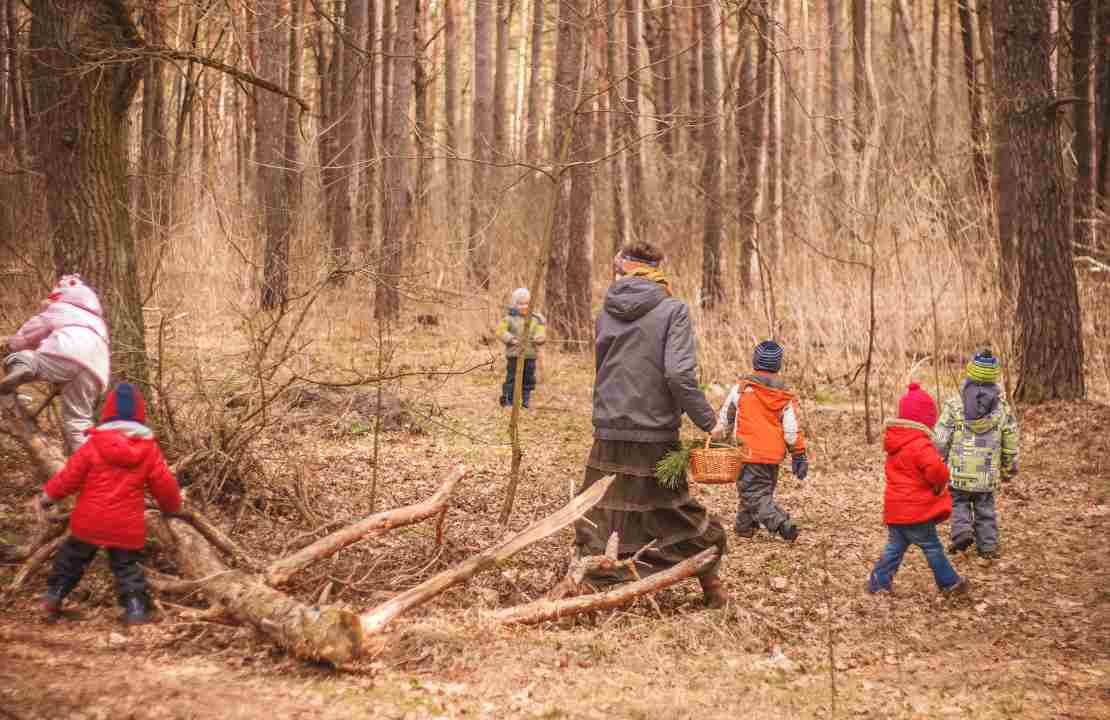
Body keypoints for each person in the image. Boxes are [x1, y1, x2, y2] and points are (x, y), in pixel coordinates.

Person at [573, 241, 729, 608]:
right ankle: (712, 588)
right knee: (677, 513)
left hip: (608, 428)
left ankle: (595, 590)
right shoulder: (672, 309)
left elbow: (602, 368)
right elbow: (678, 374)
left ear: (623, 268)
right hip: (655, 432)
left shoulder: (606, 309)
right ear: (657, 269)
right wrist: (709, 422)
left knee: (605, 517)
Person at [35, 383, 182, 625]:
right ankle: (135, 609)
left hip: (89, 520)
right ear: (140, 415)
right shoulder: (149, 448)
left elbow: (69, 477)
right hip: (126, 524)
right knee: (127, 567)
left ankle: (53, 597)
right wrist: (172, 507)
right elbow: (164, 484)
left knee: (71, 559)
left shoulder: (93, 444)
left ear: (107, 412)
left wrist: (48, 496)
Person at [867, 383, 969, 597]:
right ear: (925, 420)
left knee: (895, 548)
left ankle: (878, 583)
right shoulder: (920, 445)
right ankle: (949, 583)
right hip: (916, 513)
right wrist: (942, 478)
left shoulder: (896, 443)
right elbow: (936, 471)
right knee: (932, 547)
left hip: (896, 511)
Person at [0, 275, 110, 455]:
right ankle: (91, 468)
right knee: (79, 421)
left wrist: (11, 346)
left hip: (65, 353)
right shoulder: (98, 322)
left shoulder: (59, 309)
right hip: (96, 369)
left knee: (25, 357)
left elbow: (29, 334)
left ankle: (23, 367)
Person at [713, 341, 809, 542]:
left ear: (754, 361)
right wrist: (798, 453)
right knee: (757, 492)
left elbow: (726, 416)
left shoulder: (741, 389)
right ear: (778, 365)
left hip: (748, 454)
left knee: (754, 495)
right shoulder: (784, 396)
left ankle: (783, 524)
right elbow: (791, 431)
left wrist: (718, 435)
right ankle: (744, 527)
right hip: (772, 458)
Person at [934, 349, 1019, 560]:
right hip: (986, 475)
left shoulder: (955, 405)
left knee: (958, 502)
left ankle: (962, 532)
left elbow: (940, 438)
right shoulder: (1002, 410)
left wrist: (938, 462)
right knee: (985, 509)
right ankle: (988, 547)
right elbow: (1010, 443)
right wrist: (1009, 469)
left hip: (958, 472)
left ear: (970, 373)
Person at [496, 287, 546, 409]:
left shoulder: (536, 319)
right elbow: (500, 331)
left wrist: (540, 338)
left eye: (526, 303)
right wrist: (511, 339)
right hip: (514, 354)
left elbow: (541, 332)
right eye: (520, 304)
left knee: (528, 379)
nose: (524, 306)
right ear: (514, 304)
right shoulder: (508, 319)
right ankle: (508, 400)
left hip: (530, 355)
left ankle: (525, 401)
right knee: (512, 378)